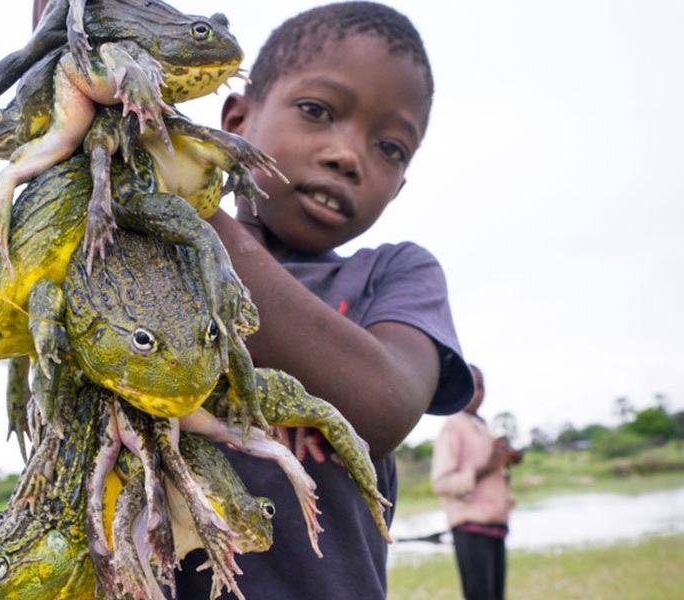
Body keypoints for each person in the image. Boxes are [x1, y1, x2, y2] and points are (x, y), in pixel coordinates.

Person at [169, 3, 474, 598]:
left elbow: (380, 409)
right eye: (317, 111)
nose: (349, 156)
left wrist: (190, 203)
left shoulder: (394, 274)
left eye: (391, 148)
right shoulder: (147, 257)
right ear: (235, 119)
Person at [431, 364, 523, 599]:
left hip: (495, 525)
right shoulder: (453, 427)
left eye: (480, 386)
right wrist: (492, 465)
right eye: (471, 386)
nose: (477, 393)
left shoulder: (483, 426)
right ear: (457, 388)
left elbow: (492, 464)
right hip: (471, 527)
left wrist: (506, 459)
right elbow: (440, 483)